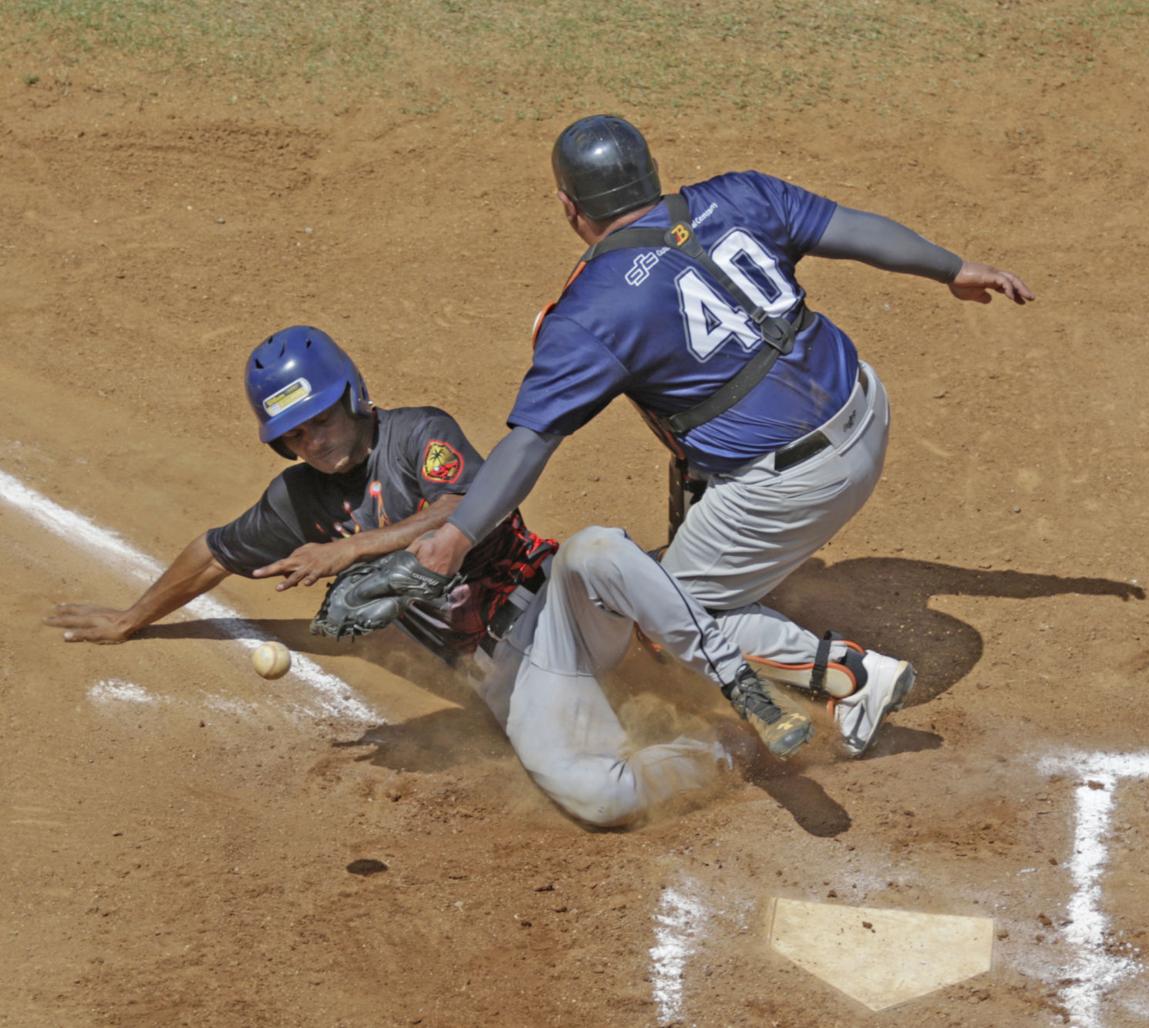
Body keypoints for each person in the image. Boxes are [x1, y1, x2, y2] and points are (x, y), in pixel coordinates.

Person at [44, 325, 846, 828]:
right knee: (597, 799)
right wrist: (131, 616)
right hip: (508, 674)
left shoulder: (417, 435)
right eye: (294, 433)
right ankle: (726, 749)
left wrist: (354, 551)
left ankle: (739, 683)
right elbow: (215, 550)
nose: (315, 441)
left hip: (558, 609)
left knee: (601, 548)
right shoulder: (295, 502)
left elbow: (470, 505)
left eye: (322, 417)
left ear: (352, 396)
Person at [410, 113, 1035, 744]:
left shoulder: (592, 311)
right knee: (703, 421)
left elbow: (532, 440)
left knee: (660, 612)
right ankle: (731, 567)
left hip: (798, 485)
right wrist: (951, 268)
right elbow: (853, 230)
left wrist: (458, 536)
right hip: (866, 408)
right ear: (652, 174)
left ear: (569, 207)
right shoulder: (743, 194)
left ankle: (849, 674)